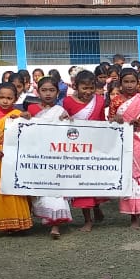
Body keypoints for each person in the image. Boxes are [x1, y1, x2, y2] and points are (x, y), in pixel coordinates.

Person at [0, 82, 34, 235]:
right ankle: (2, 224)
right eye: (1, 97)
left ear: (15, 98)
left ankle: (18, 223)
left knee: (15, 189)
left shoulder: (19, 114)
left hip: (14, 157)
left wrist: (26, 118)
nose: (5, 101)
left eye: (9, 98)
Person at [110, 69, 140, 228]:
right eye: (126, 82)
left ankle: (139, 212)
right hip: (123, 142)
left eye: (133, 82)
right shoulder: (116, 101)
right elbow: (109, 121)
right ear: (120, 83)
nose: (129, 85)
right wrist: (115, 120)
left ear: (138, 84)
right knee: (130, 177)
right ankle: (133, 216)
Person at [27, 78, 73, 239]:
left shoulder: (60, 111)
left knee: (56, 190)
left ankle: (55, 226)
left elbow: (69, 131)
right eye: (44, 90)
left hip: (56, 157)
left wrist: (67, 121)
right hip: (37, 156)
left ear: (57, 92)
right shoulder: (31, 109)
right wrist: (23, 118)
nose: (48, 93)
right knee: (40, 190)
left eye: (51, 90)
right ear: (38, 92)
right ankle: (42, 217)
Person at [62, 70, 106, 232]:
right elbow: (64, 123)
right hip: (76, 149)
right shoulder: (67, 102)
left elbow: (102, 123)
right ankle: (88, 220)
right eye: (84, 88)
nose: (88, 92)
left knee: (94, 182)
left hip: (95, 148)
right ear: (75, 86)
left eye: (91, 88)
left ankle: (96, 208)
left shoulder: (100, 100)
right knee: (81, 184)